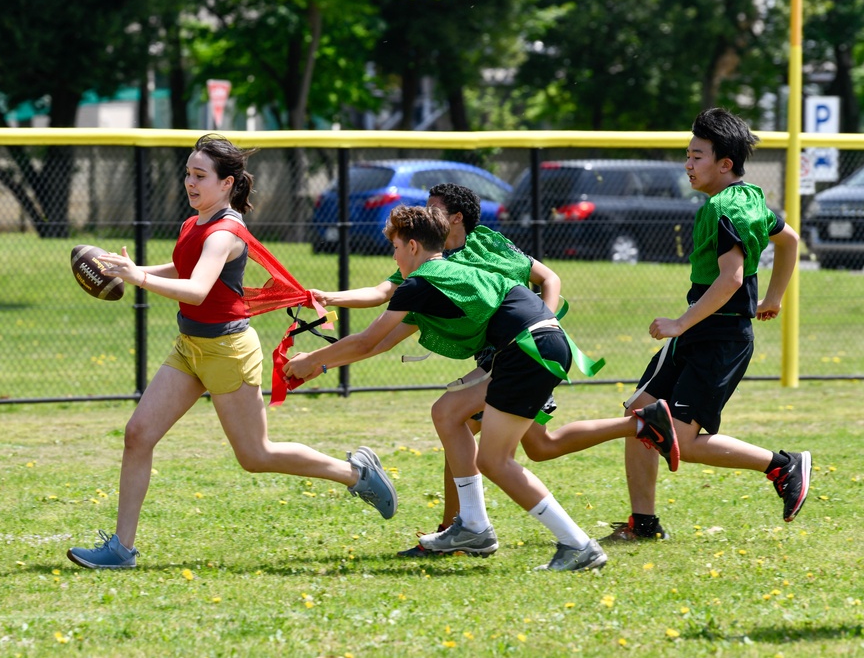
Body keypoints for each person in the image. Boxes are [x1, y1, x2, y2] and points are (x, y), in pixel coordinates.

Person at [67, 134, 396, 569]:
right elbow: (184, 268)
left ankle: (357, 474)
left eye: (200, 176)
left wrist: (138, 278)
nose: (190, 182)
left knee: (256, 456)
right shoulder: (195, 223)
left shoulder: (226, 232)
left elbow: (198, 289)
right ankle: (121, 549)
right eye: (187, 173)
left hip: (228, 351)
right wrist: (131, 271)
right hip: (191, 347)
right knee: (138, 435)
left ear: (227, 184)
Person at [285, 205, 666, 571]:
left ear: (413, 246)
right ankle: (473, 527)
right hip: (536, 343)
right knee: (448, 412)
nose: (395, 254)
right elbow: (380, 340)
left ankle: (578, 545)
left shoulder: (421, 282)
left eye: (396, 247)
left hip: (527, 348)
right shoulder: (446, 273)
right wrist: (321, 358)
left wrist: (311, 362)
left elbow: (369, 341)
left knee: (495, 460)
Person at [517, 108, 810, 539]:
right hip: (703, 330)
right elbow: (790, 240)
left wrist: (679, 322)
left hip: (720, 336)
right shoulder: (746, 197)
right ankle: (644, 523)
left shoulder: (729, 208)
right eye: (687, 156)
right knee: (642, 417)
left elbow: (730, 278)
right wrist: (774, 297)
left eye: (696, 157)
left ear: (724, 164)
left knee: (684, 442)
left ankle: (783, 466)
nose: (687, 165)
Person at [310, 183, 564, 558]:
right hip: (507, 354)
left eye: (433, 209)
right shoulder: (429, 266)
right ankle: (464, 529)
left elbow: (549, 278)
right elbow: (383, 297)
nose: (425, 214)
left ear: (455, 218)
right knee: (468, 426)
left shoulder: (474, 251)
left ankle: (476, 532)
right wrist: (330, 298)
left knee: (488, 444)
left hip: (525, 350)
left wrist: (544, 321)